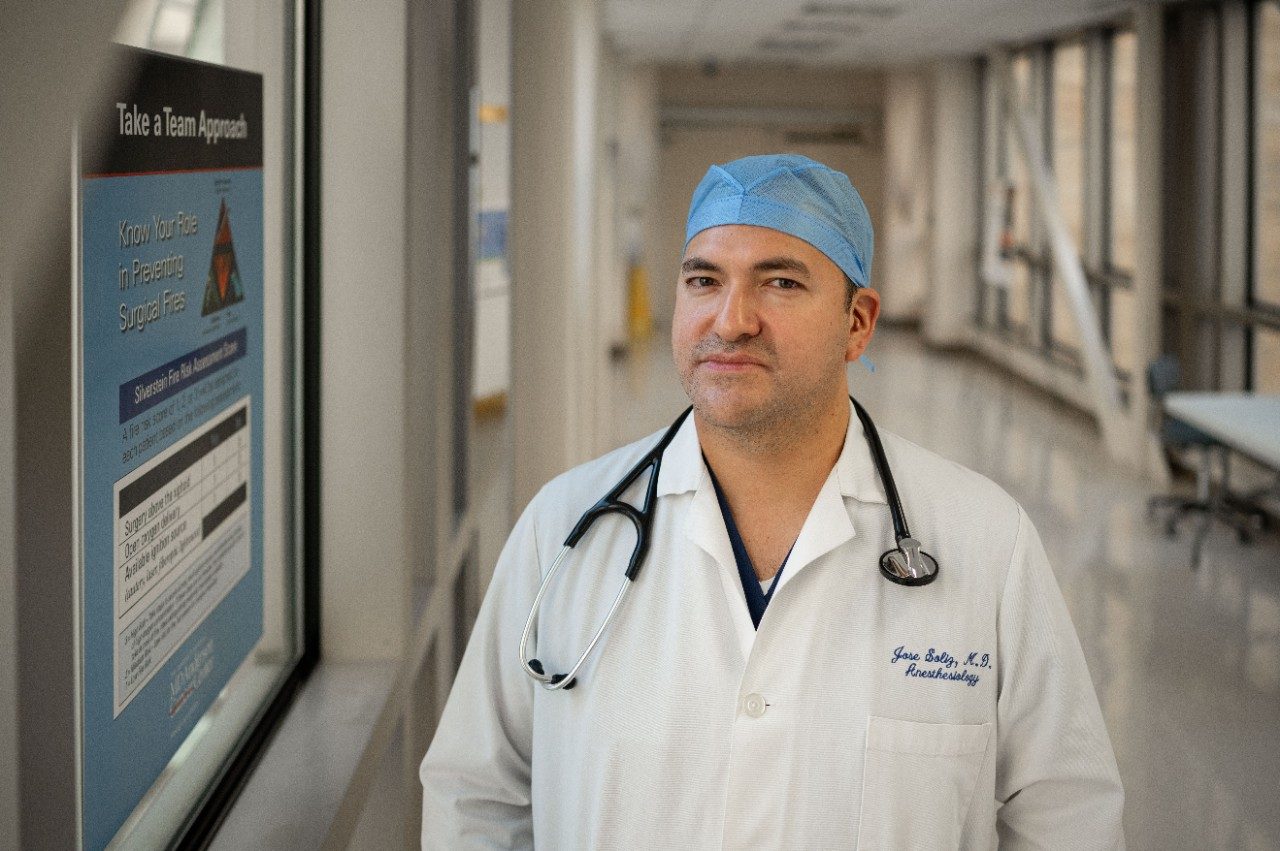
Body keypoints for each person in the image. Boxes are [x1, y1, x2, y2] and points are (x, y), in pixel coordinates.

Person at [420, 154, 1125, 849]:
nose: (731, 320)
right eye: (704, 279)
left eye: (781, 282)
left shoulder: (986, 541)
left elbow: (1068, 815)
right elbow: (476, 796)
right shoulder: (562, 524)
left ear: (858, 322)